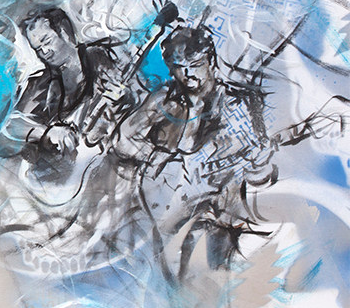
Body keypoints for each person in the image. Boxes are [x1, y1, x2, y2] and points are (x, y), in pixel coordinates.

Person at [104, 25, 274, 275]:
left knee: (215, 271)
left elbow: (261, 172)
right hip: (165, 212)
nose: (187, 73)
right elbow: (122, 143)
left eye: (195, 64)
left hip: (220, 215)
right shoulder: (164, 100)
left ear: (211, 61)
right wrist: (154, 150)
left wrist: (258, 165)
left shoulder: (240, 102)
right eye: (178, 66)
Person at [0, 6, 128, 181]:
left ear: (64, 32)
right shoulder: (43, 83)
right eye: (38, 49)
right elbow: (9, 125)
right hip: (72, 173)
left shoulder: (99, 57)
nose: (45, 53)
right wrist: (47, 132)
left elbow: (127, 90)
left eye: (47, 41)